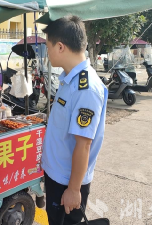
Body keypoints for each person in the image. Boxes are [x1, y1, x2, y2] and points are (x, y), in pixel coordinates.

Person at [41, 16, 108, 225]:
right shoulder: (68, 78)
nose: (47, 52)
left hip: (66, 183)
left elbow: (84, 144)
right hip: (57, 175)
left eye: (47, 46)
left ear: (60, 47)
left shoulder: (86, 89)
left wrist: (74, 189)